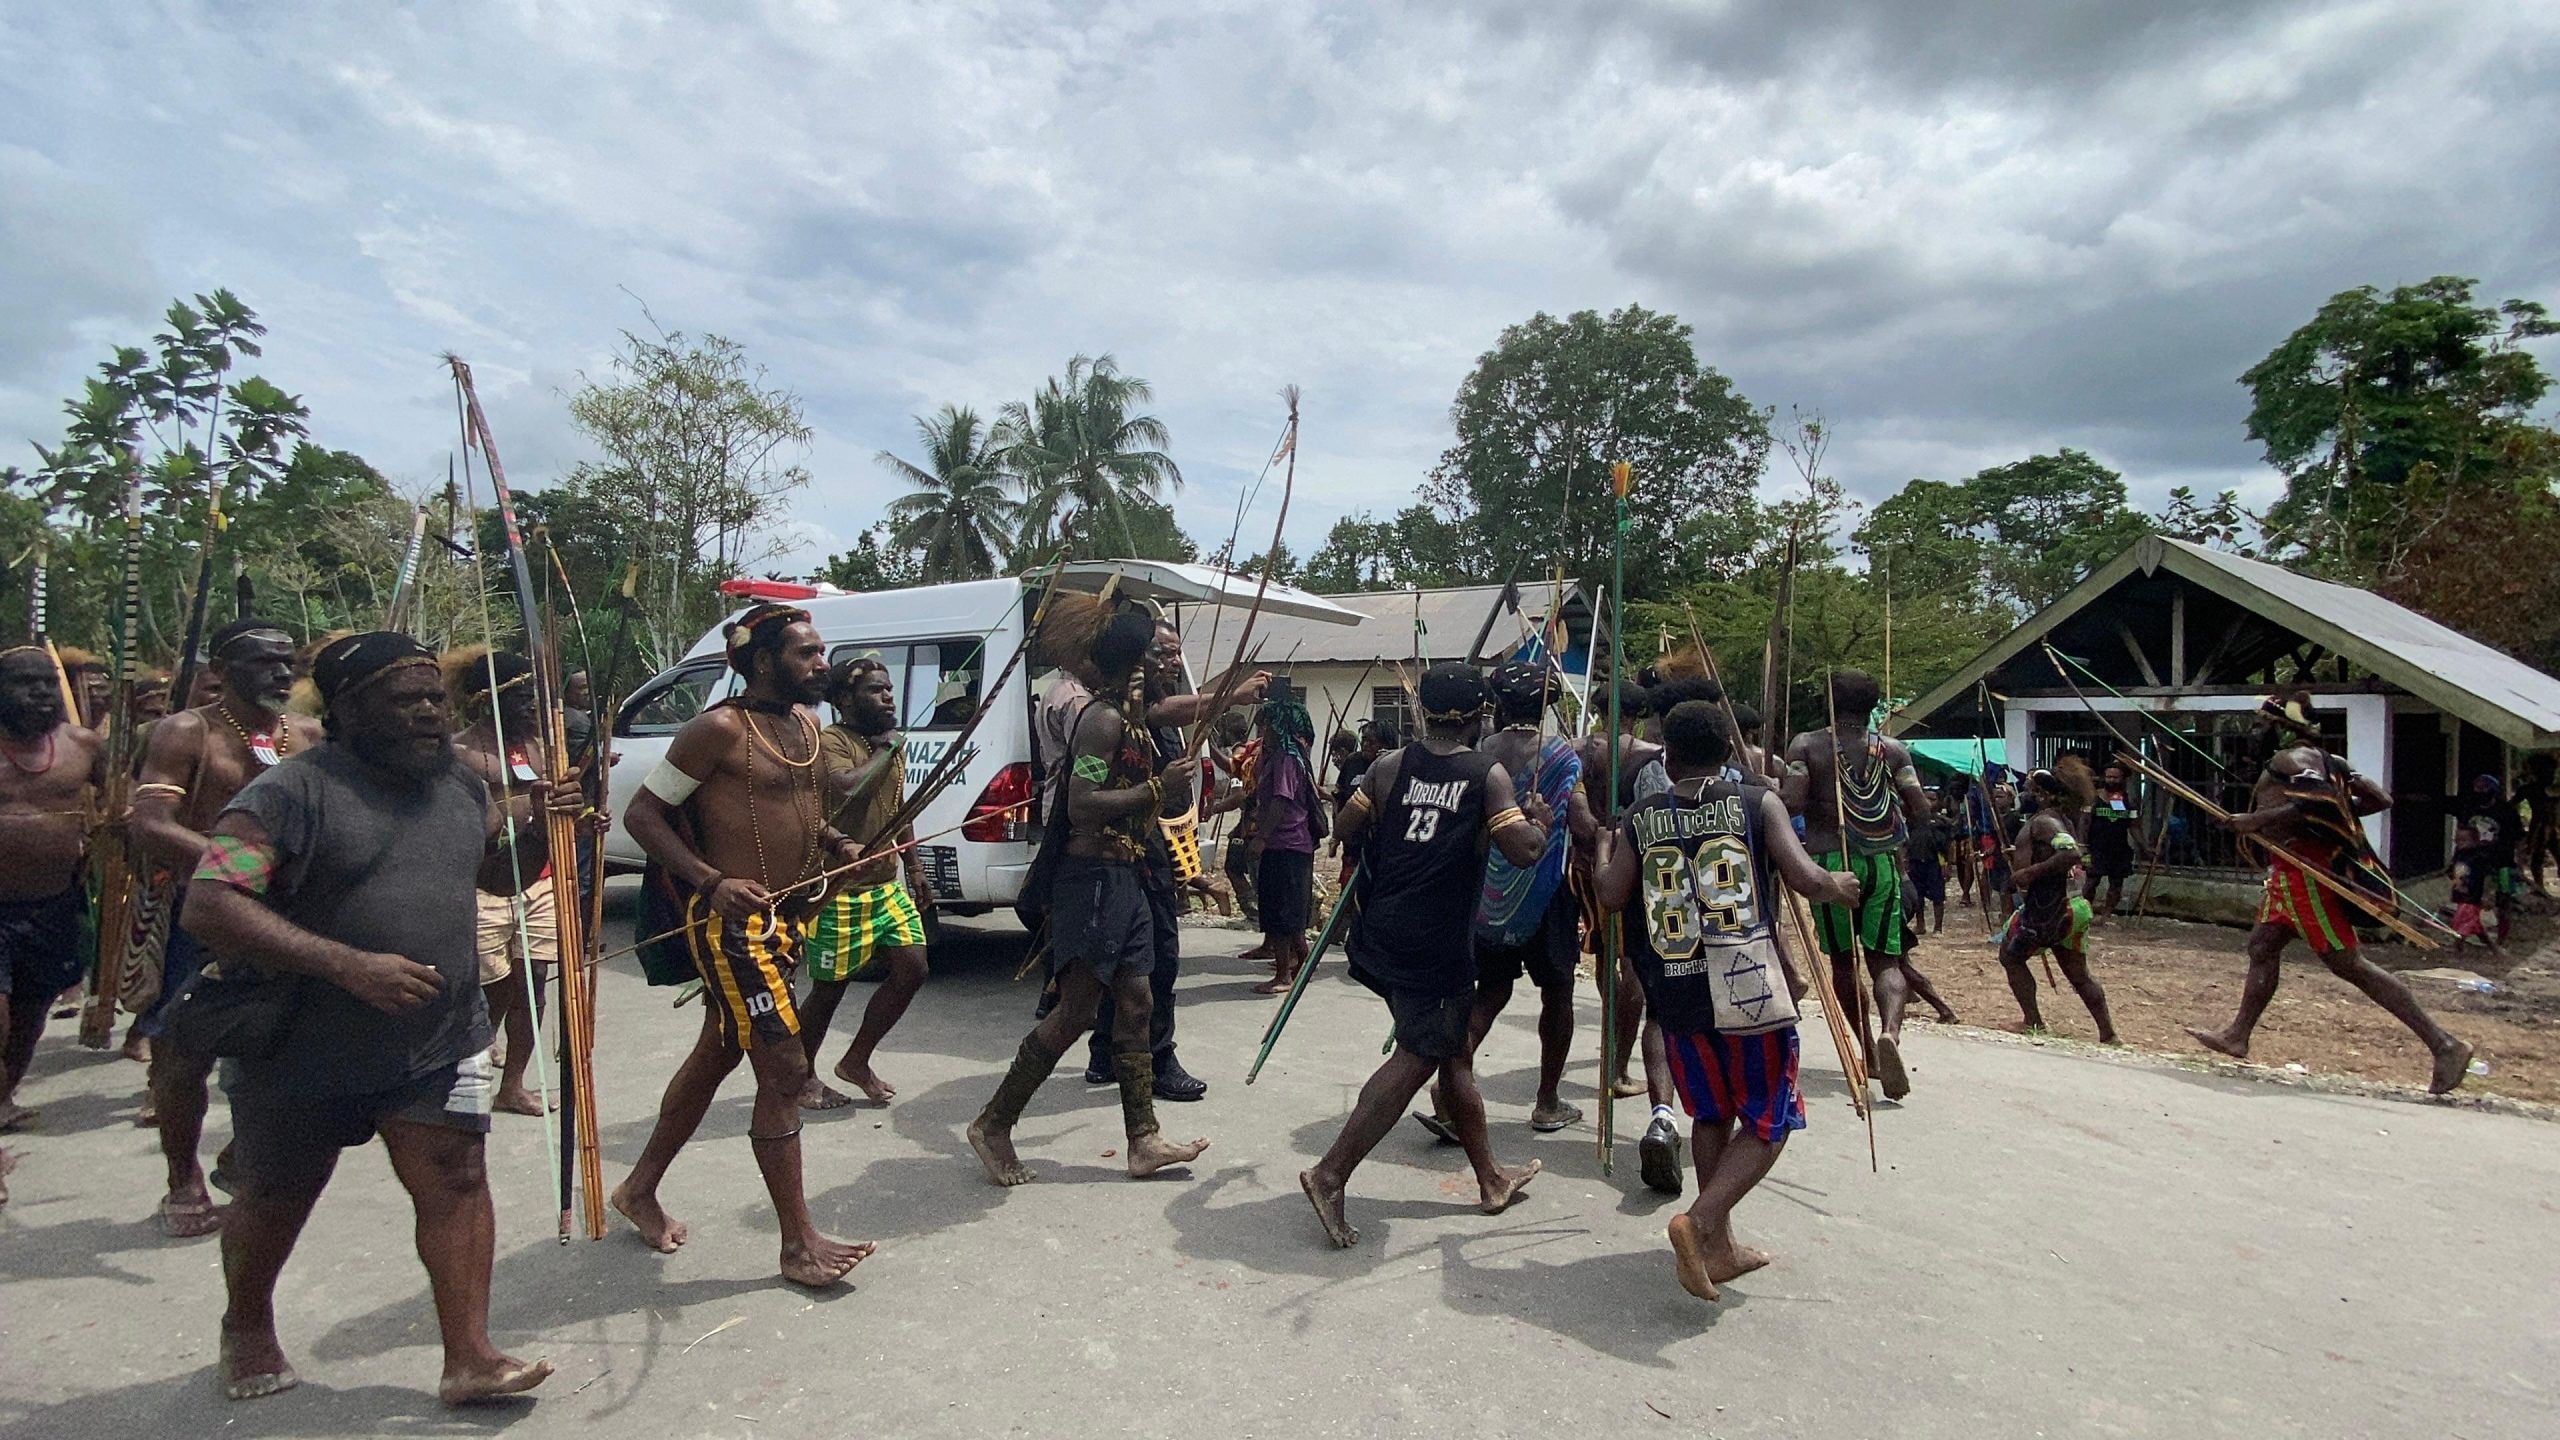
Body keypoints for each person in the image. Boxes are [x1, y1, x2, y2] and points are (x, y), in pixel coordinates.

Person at [181, 631, 557, 1404]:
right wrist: (346, 964)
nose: (428, 713)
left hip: (438, 1039)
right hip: (301, 1043)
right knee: (277, 1192)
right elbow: (210, 903)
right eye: (404, 700)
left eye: (435, 699)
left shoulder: (460, 786)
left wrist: (541, 826)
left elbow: (491, 876)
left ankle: (470, 1358)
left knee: (457, 1178)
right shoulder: (285, 795)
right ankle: (246, 1326)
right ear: (347, 710)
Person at [612, 604, 875, 1285]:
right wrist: (711, 881)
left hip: (788, 919)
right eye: (806, 653)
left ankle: (638, 1189)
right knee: (785, 1069)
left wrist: (841, 846)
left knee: (719, 1052)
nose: (822, 664)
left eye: (821, 651)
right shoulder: (718, 730)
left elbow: (808, 818)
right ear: (763, 660)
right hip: (732, 929)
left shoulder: (807, 726)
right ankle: (798, 1245)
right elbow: (643, 815)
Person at [1597, 701, 1860, 1301]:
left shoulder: (1641, 814)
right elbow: (1807, 879)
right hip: (1748, 985)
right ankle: (1702, 1222)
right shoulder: (1756, 802)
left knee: (1712, 1113)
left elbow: (1610, 896)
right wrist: (1840, 886)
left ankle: (1718, 1248)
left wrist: (1603, 851)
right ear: (1728, 754)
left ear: (1668, 757)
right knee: (1771, 1115)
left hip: (1675, 986)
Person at [1300, 663, 1550, 1248]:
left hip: (1382, 930)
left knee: (1452, 1052)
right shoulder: (1486, 775)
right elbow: (1523, 850)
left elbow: (1345, 826)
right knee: (1419, 1055)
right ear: (1478, 716)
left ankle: (1491, 1179)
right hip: (1437, 942)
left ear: (1423, 712)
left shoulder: (1388, 766)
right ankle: (1330, 1174)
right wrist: (1536, 823)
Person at [970, 597, 1210, 1185]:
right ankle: (993, 1124)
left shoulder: (1133, 720)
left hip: (1127, 877)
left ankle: (1143, 1140)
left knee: (1138, 1003)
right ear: (1133, 662)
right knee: (1076, 1012)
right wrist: (1157, 789)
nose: (1163, 664)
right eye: (1154, 656)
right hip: (1093, 880)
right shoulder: (1102, 721)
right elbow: (1082, 806)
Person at [128, 620, 323, 1237]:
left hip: (285, 917)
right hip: (202, 914)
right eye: (264, 663)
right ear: (221, 669)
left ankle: (243, 1154)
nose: (280, 675)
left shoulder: (308, 735)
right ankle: (181, 1178)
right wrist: (239, 868)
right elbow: (151, 823)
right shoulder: (187, 732)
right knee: (184, 1056)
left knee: (296, 1044)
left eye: (287, 663)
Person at [2186, 692, 2473, 1094]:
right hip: (2291, 871)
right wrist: (2335, 815)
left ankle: (2444, 1045)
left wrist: (2256, 820)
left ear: (2283, 727)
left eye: (2262, 723)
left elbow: (2320, 804)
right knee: (2262, 947)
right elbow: (2377, 798)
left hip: (2306, 873)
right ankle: (2238, 1035)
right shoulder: (2333, 761)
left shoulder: (2291, 759)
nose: (2255, 730)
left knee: (2349, 964)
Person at [1423, 661, 1592, 1137]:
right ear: (1546, 706)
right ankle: (1547, 1101)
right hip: (1547, 893)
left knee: (1490, 992)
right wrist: (1607, 836)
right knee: (1557, 993)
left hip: (1486, 893)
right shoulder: (1563, 756)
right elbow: (1580, 821)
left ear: (1497, 704)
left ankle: (1450, 1090)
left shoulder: (1479, 752)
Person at [1782, 670, 1932, 1101]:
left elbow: (1792, 801)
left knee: (1844, 963)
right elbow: (1919, 806)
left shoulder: (1807, 745)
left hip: (1832, 866)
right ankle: (1890, 1033)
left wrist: (1766, 786)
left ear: (1830, 701)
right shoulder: (1894, 750)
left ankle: (1868, 1051)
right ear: (1873, 705)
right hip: (1882, 863)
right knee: (1886, 960)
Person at [796, 656, 932, 1109]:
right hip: (839, 887)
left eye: (888, 688)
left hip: (886, 884)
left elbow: (898, 807)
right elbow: (847, 788)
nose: (888, 697)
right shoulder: (832, 741)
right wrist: (885, 751)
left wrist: (914, 867)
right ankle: (801, 1076)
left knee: (913, 968)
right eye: (875, 690)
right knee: (829, 988)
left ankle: (856, 1060)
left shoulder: (885, 743)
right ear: (844, 699)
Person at [445, 648, 564, 1119]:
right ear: (488, 702)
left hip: (539, 880)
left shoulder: (542, 748)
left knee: (534, 985)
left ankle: (513, 1086)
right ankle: (467, 1074)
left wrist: (584, 818)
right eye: (521, 697)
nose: (532, 705)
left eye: (533, 695)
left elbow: (562, 808)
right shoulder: (458, 754)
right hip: (482, 883)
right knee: (490, 988)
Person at [0, 647, 107, 1155]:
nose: (41, 693)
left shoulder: (83, 746)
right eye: (25, 683)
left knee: (28, 1020)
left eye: (47, 682)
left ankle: (4, 1097)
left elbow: (125, 798)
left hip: (54, 904)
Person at [1996, 760, 2118, 1042]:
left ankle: (2033, 1021)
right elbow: (2054, 851)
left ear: (2043, 794)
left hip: (2050, 909)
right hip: (2071, 907)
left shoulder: (2045, 822)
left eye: (2031, 790)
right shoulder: (2059, 820)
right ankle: (2108, 1033)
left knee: (2010, 956)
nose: (2026, 795)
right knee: (2079, 975)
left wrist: (2028, 872)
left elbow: (2070, 854)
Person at [1249, 681, 1323, 995]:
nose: (1262, 732)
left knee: (1280, 913)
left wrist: (1261, 838)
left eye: (1265, 726)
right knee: (1290, 912)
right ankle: (1302, 963)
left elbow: (1281, 800)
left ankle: (1283, 975)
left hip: (1285, 843)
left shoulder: (1285, 759)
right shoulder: (1291, 756)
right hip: (1293, 845)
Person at [2454, 774, 2522, 945]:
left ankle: (2500, 940)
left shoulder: (2506, 811)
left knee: (2503, 901)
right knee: (2467, 901)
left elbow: (2518, 838)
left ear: (2493, 791)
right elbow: (2461, 833)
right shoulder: (2468, 808)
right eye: (2477, 788)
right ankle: (2463, 939)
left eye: (2484, 788)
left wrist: (2519, 861)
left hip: (2501, 862)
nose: (2480, 792)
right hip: (2471, 862)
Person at [2083, 762, 2141, 922]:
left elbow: (2134, 826)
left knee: (2116, 884)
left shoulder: (2130, 802)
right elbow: (2085, 823)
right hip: (2096, 848)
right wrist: (2082, 846)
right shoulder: (2093, 799)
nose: (2111, 780)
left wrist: (2146, 847)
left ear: (2124, 779)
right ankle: (2086, 913)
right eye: (2108, 777)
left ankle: (2106, 916)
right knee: (2091, 882)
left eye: (2115, 777)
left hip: (2119, 849)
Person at [2446, 826, 2503, 952]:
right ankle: (2493, 947)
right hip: (2460, 893)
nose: (2460, 843)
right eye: (2457, 840)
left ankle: (2457, 944)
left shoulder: (2479, 857)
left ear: (2475, 841)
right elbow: (2452, 869)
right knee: (2475, 924)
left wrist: (2487, 895)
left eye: (2463, 840)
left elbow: (2488, 876)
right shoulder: (2459, 854)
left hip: (2473, 895)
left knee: (2462, 919)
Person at [2517, 754, 2556, 898]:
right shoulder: (2529, 789)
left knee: (2538, 858)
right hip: (2540, 825)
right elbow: (2511, 805)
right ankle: (2540, 889)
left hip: (2550, 825)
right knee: (2536, 858)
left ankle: (2540, 889)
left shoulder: (2550, 789)